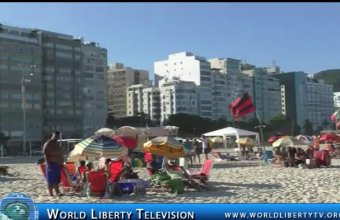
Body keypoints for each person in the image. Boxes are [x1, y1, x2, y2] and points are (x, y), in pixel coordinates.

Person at [43, 131, 64, 196]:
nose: (56, 137)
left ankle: (57, 192)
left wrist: (61, 163)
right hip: (51, 163)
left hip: (57, 164)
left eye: (57, 136)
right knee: (51, 180)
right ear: (52, 135)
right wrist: (49, 165)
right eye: (55, 136)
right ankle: (51, 193)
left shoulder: (57, 144)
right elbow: (45, 154)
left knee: (56, 179)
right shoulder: (48, 143)